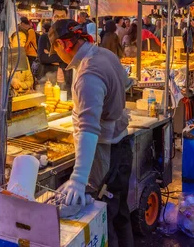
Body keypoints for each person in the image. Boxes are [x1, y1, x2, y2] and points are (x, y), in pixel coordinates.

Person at [50, 19, 133, 246]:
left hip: (105, 153)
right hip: (122, 145)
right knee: (120, 213)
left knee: (104, 217)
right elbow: (127, 83)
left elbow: (89, 128)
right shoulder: (105, 55)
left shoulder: (88, 72)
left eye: (55, 49)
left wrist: (78, 178)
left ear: (61, 43)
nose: (57, 56)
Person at [37, 7, 68, 84]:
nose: (59, 19)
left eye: (62, 16)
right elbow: (43, 58)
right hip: (47, 79)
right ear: (52, 18)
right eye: (56, 16)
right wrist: (64, 57)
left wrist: (50, 55)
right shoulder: (44, 37)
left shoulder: (70, 37)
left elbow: (72, 58)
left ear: (67, 17)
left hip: (67, 79)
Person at [9, 31, 35, 95]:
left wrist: (20, 85)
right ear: (11, 40)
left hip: (22, 96)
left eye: (24, 41)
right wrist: (11, 82)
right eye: (19, 40)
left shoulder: (24, 58)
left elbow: (30, 80)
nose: (21, 44)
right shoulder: (2, 57)